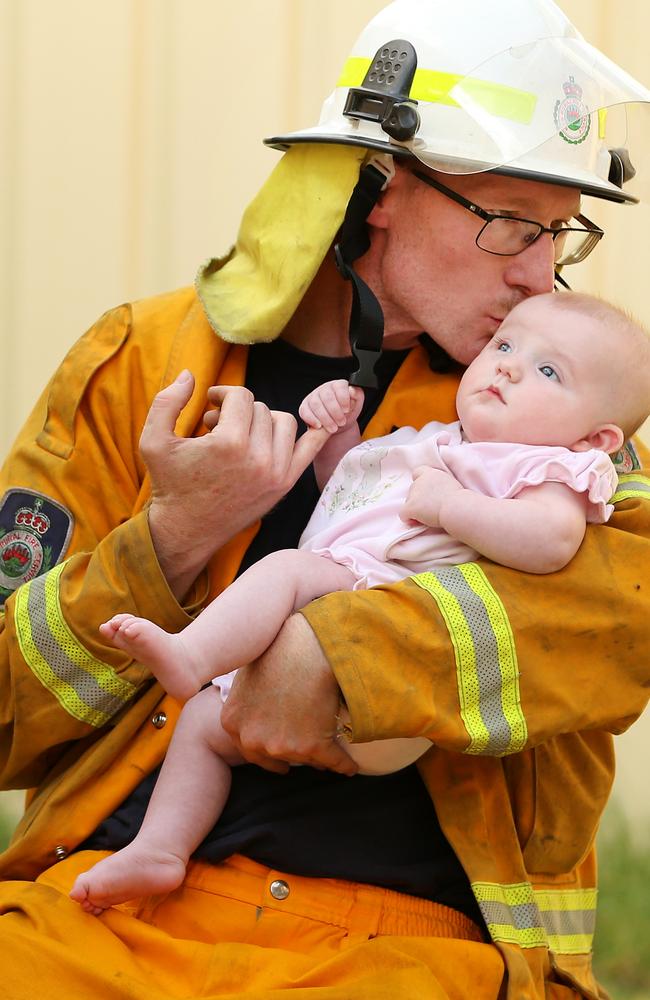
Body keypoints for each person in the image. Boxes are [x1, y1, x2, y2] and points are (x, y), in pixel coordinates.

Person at [1, 1, 650, 997]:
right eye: (508, 222)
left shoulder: (556, 411)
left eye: (558, 231)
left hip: (406, 949)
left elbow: (621, 620)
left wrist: (343, 655)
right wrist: (169, 542)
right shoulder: (139, 364)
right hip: (101, 916)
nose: (536, 275)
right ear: (372, 191)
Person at [67, 289, 650, 915]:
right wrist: (341, 434)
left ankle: (188, 656)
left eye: (548, 370)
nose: (507, 365)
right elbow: (351, 497)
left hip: (387, 689)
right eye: (504, 345)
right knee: (205, 728)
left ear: (596, 437)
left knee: (286, 568)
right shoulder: (432, 442)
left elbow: (551, 542)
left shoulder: (547, 469)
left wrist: (449, 506)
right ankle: (159, 849)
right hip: (340, 627)